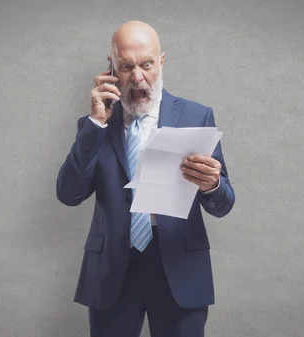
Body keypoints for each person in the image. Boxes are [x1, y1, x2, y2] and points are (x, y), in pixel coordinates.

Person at [56, 20, 235, 337]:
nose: (138, 77)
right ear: (111, 67)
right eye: (126, 66)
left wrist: (212, 185)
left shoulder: (196, 116)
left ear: (162, 61)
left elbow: (223, 204)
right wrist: (96, 124)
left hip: (178, 266)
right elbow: (68, 194)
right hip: (112, 267)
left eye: (147, 64)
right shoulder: (94, 125)